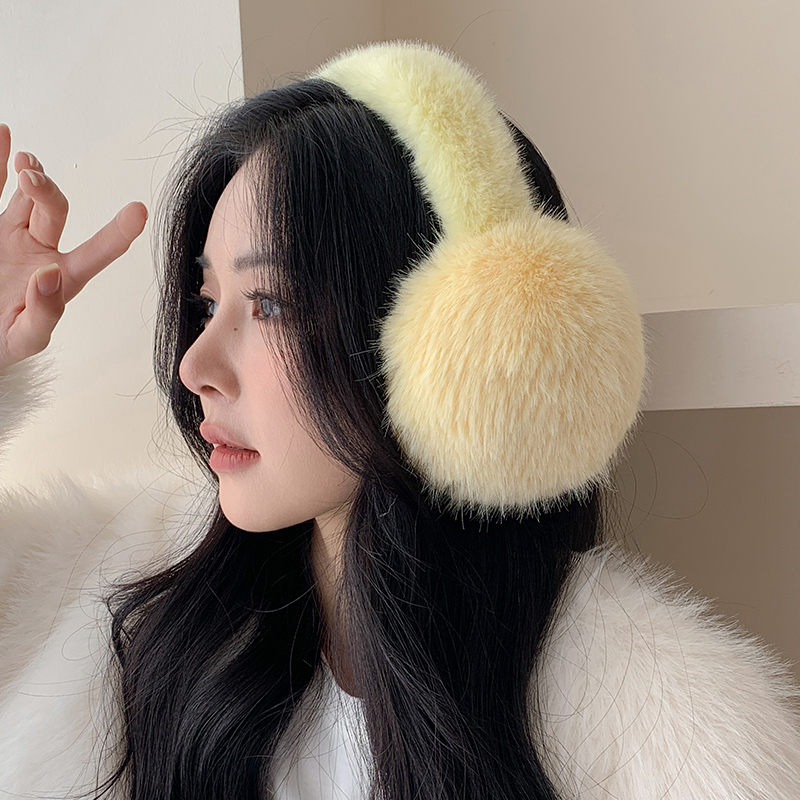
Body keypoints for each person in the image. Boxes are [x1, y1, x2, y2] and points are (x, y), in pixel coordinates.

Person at [0, 40, 798, 800]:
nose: (194, 366)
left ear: (452, 347)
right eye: (209, 304)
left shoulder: (661, 731)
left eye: (270, 303)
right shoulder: (115, 600)